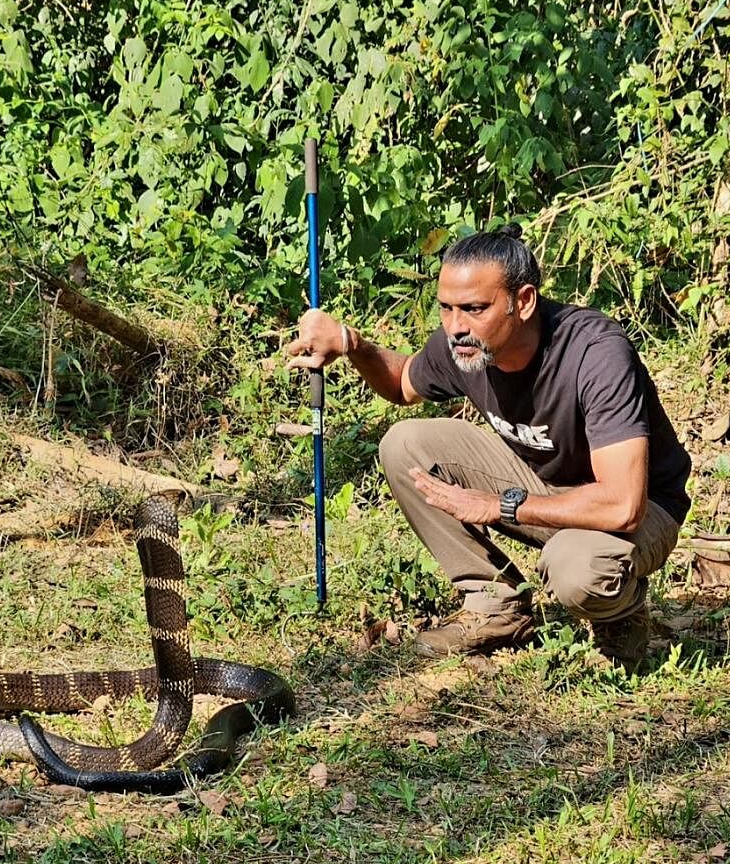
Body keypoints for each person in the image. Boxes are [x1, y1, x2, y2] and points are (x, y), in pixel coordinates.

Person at [285, 225, 691, 670]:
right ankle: (495, 606)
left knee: (575, 568)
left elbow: (621, 506)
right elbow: (402, 384)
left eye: (475, 309)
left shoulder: (595, 353)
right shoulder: (465, 343)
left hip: (640, 508)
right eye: (446, 309)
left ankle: (620, 615)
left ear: (524, 301)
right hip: (546, 485)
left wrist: (500, 505)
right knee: (407, 443)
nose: (456, 326)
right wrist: (351, 344)